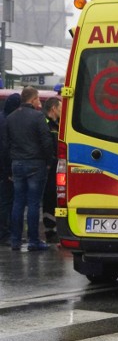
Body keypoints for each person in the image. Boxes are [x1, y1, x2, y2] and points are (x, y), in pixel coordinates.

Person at [3, 87, 53, 251]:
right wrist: (48, 161)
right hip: (35, 164)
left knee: (18, 202)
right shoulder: (38, 117)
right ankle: (33, 240)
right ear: (32, 100)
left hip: (17, 163)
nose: (39, 102)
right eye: (38, 99)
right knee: (33, 203)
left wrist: (11, 165)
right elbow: (46, 141)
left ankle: (16, 240)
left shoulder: (10, 118)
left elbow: (6, 144)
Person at [0, 93, 22, 244]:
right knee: (7, 201)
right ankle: (5, 234)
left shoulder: (3, 117)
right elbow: (5, 148)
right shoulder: (6, 121)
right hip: (4, 169)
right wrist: (8, 171)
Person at [42, 97, 61, 243]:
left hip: (55, 166)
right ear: (54, 108)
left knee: (54, 197)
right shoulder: (46, 124)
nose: (62, 110)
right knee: (49, 198)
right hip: (48, 166)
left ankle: (54, 228)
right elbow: (48, 146)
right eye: (60, 107)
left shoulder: (57, 124)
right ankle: (50, 230)